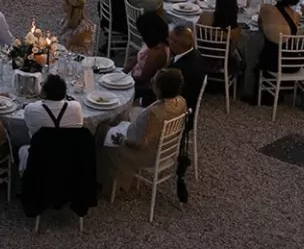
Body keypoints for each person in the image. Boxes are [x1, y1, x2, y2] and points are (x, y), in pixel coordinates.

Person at [101, 67, 187, 195]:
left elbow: (139, 144)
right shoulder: (181, 101)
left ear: (158, 89)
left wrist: (121, 139)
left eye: (154, 82)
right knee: (120, 119)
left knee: (102, 130)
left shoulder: (154, 114)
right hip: (166, 149)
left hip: (146, 154)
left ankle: (102, 181)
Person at [20, 73, 84, 169]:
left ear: (44, 93)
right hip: (70, 159)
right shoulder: (76, 107)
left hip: (40, 160)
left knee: (22, 149)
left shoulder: (31, 109)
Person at [258, 0, 301, 75]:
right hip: (292, 63)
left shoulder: (266, 9)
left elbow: (260, 28)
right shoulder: (297, 15)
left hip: (273, 63)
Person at [127, 11, 171, 102]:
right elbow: (135, 60)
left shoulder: (157, 52)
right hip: (133, 77)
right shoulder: (152, 42)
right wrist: (122, 73)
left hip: (144, 89)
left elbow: (143, 79)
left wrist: (123, 81)